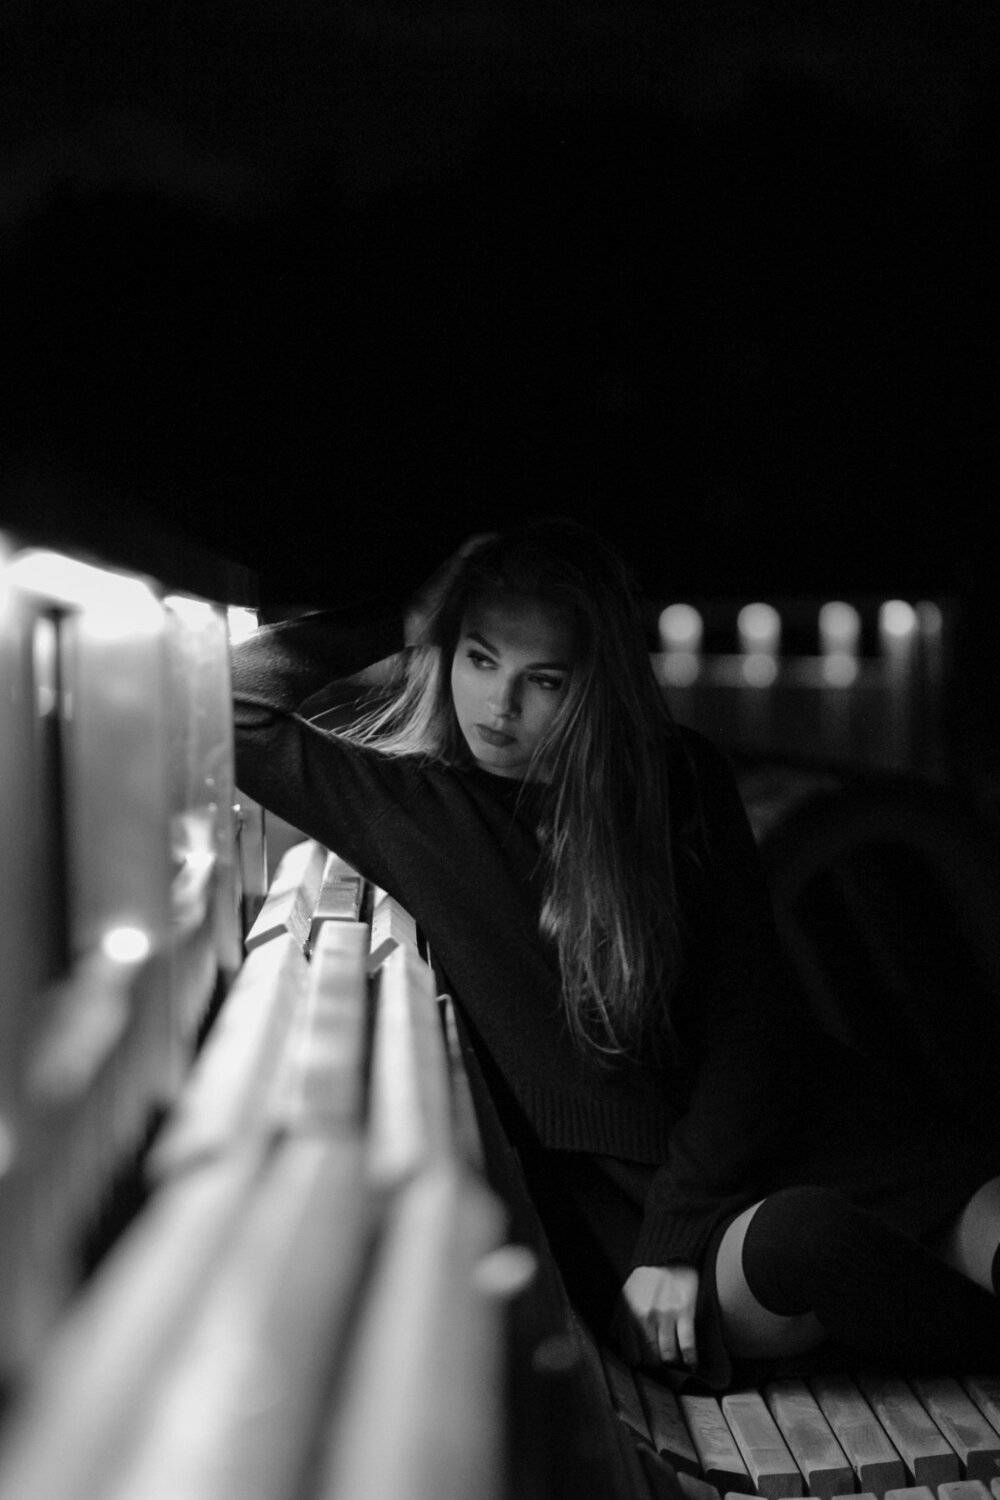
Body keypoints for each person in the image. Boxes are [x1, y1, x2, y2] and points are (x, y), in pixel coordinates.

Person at [231, 518, 1000, 1389]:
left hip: (782, 1133)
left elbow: (753, 1023)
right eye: (479, 659)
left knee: (977, 1201)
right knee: (805, 1239)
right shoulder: (412, 805)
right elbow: (234, 705)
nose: (499, 705)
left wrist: (677, 1227)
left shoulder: (677, 783)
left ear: (595, 685)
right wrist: (403, 617)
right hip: (654, 1214)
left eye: (543, 679)